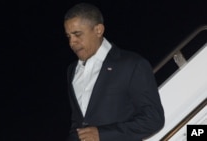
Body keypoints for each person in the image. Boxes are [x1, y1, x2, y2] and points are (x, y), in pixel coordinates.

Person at [64, 2, 164, 141]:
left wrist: (103, 134)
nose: (71, 42)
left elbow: (153, 119)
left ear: (98, 30)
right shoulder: (72, 71)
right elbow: (78, 124)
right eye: (68, 36)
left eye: (77, 34)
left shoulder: (132, 64)